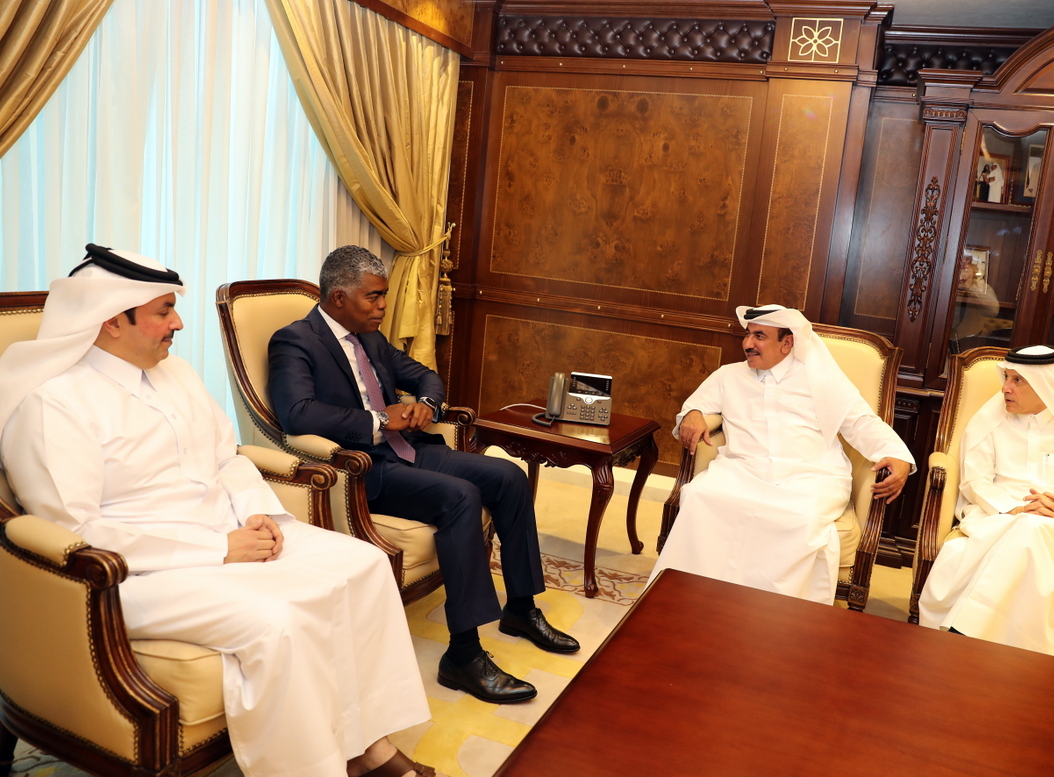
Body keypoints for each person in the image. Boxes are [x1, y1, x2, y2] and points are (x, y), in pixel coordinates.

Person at [0, 246, 436, 777]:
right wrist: (219, 548)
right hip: (133, 572)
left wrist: (259, 517)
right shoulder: (54, 404)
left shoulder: (176, 374)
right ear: (112, 320)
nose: (178, 323)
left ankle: (369, 744)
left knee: (363, 566)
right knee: (276, 621)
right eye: (163, 311)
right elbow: (75, 530)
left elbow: (225, 459)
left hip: (229, 530)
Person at [269, 246, 578, 706]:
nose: (382, 307)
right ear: (338, 298)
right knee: (460, 497)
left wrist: (424, 406)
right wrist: (379, 421)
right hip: (364, 469)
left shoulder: (370, 336)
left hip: (410, 450)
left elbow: (426, 376)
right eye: (373, 298)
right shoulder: (295, 341)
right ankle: (464, 655)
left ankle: (520, 608)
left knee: (510, 478)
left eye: (384, 297)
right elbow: (296, 413)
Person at [649, 304, 915, 603]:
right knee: (701, 496)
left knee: (801, 519)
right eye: (748, 335)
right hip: (743, 471)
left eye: (759, 336)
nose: (748, 344)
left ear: (787, 343)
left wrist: (896, 454)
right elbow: (695, 406)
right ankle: (688, 601)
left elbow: (860, 422)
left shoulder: (819, 379)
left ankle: (775, 614)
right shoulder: (728, 376)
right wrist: (694, 414)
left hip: (811, 476)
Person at [918, 345, 1054, 662]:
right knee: (1025, 526)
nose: (1006, 387)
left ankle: (963, 636)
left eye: (1018, 380)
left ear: (1045, 385)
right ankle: (1008, 658)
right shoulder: (988, 422)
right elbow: (975, 481)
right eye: (1006, 377)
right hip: (999, 517)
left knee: (1032, 528)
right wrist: (1013, 508)